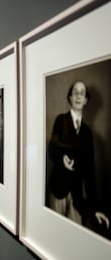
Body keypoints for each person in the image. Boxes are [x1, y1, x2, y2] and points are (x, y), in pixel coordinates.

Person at [47, 80, 109, 231]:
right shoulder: (61, 120)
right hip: (58, 190)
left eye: (82, 93)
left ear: (86, 100)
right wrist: (62, 158)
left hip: (76, 196)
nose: (79, 96)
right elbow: (52, 148)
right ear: (70, 97)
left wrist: (95, 208)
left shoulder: (87, 133)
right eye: (75, 92)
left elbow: (90, 172)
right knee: (55, 233)